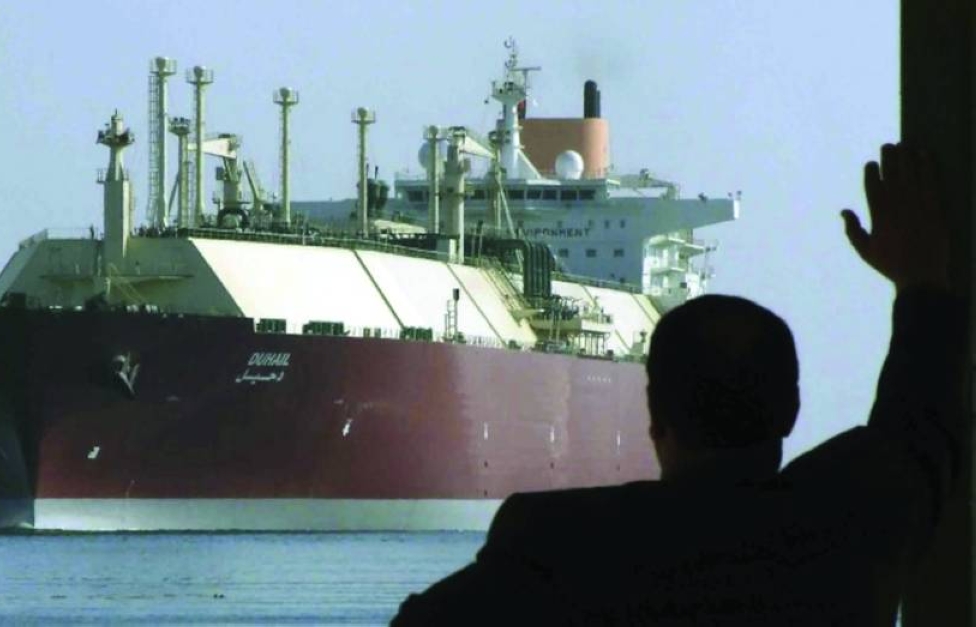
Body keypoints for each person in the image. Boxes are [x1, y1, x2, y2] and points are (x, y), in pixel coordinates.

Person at [391, 143, 962, 626]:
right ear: (791, 409)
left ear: (654, 418)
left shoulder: (555, 543)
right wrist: (921, 282)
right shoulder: (854, 520)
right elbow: (921, 418)